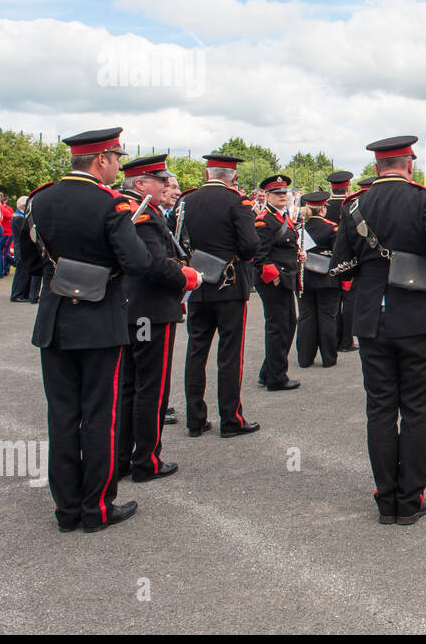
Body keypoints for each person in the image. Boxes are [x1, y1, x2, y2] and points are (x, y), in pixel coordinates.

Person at [329, 135, 426, 525]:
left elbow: (339, 264)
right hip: (419, 318)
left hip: (372, 317)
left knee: (379, 408)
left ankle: (384, 497)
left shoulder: (354, 204)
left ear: (376, 169)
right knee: (415, 410)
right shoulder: (425, 200)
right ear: (409, 165)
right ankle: (409, 499)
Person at [28, 128, 151, 532]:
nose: (118, 165)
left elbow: (27, 261)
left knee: (62, 416)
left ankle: (66, 510)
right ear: (101, 159)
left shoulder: (40, 199)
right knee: (100, 415)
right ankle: (96, 508)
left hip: (55, 319)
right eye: (116, 158)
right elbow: (137, 262)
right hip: (99, 321)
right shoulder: (111, 203)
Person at [116, 154, 200, 481]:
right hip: (150, 311)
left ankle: (123, 456)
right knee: (151, 387)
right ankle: (146, 460)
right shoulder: (142, 216)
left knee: (129, 385)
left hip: (134, 309)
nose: (167, 184)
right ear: (140, 184)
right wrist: (187, 277)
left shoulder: (131, 210)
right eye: (160, 179)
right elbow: (153, 263)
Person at [178, 152, 261, 438]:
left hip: (197, 284)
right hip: (229, 284)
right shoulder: (237, 202)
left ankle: (195, 419)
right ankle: (230, 419)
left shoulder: (186, 200)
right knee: (229, 354)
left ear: (206, 174)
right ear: (233, 177)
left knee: (196, 351)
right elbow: (250, 245)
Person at [252, 174, 302, 392]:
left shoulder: (282, 217)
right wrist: (274, 278)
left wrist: (297, 254)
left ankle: (268, 371)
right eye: (278, 193)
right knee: (279, 327)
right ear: (267, 196)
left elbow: (285, 245)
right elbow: (259, 256)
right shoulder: (264, 220)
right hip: (274, 280)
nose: (283, 196)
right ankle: (276, 377)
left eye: (284, 193)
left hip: (285, 277)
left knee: (288, 324)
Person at [297, 191, 341, 369]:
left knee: (306, 317)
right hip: (326, 277)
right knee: (327, 317)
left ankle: (305, 358)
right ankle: (329, 358)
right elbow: (338, 254)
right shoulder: (332, 228)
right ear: (323, 208)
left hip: (304, 278)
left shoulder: (299, 228)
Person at [324, 171, 357, 353]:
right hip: (347, 258)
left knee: (333, 302)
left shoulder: (325, 205)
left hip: (327, 259)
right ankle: (347, 340)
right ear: (348, 186)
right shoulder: (350, 205)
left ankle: (334, 337)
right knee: (349, 301)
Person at [9, 195, 42, 303]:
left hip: (19, 246)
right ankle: (17, 294)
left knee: (24, 271)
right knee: (21, 272)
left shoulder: (17, 217)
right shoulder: (18, 218)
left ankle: (23, 293)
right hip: (20, 247)